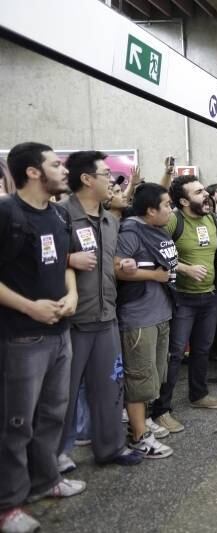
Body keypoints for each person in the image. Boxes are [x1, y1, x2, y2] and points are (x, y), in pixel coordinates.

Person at [0, 142, 84, 533]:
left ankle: (45, 479)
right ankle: (8, 504)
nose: (64, 170)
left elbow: (65, 262)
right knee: (15, 423)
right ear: (33, 172)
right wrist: (30, 307)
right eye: (55, 164)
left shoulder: (58, 214)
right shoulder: (7, 214)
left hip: (59, 332)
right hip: (21, 338)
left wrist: (72, 294)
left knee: (52, 413)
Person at [58, 151, 143, 471]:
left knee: (110, 387)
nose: (112, 181)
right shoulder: (61, 216)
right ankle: (56, 455)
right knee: (63, 394)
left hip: (107, 316)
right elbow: (40, 261)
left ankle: (110, 447)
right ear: (86, 179)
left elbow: (109, 263)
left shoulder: (110, 220)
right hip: (72, 320)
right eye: (106, 174)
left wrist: (123, 265)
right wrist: (69, 259)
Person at [149, 175, 217, 431]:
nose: (205, 194)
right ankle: (161, 410)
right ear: (184, 201)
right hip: (181, 298)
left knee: (202, 349)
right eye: (198, 192)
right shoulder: (173, 221)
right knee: (175, 354)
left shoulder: (211, 218)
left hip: (209, 296)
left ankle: (198, 395)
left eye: (203, 190)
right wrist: (184, 268)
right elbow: (154, 250)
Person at [115, 182, 178, 459]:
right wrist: (154, 276)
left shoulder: (158, 229)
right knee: (139, 377)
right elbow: (118, 269)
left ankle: (142, 421)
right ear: (151, 210)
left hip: (161, 312)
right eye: (166, 205)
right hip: (139, 317)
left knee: (154, 375)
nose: (170, 209)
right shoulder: (131, 231)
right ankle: (139, 436)